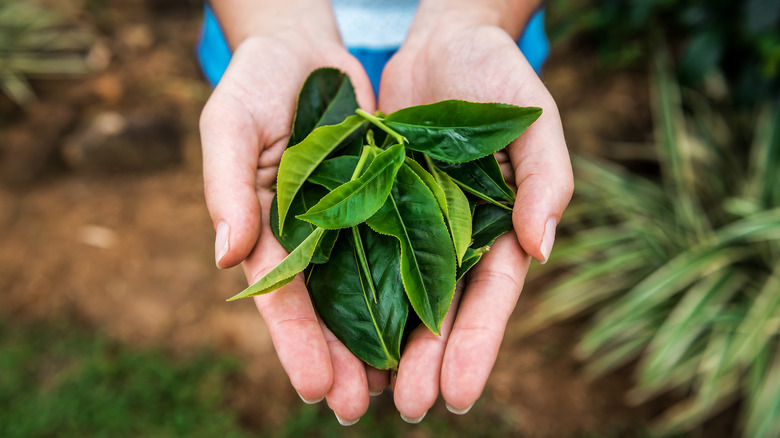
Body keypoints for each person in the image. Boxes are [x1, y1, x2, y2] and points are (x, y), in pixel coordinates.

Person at [198, 0, 573, 426]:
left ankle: (391, 368)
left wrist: (474, 15)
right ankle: (388, 367)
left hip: (455, 54)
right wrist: (272, 23)